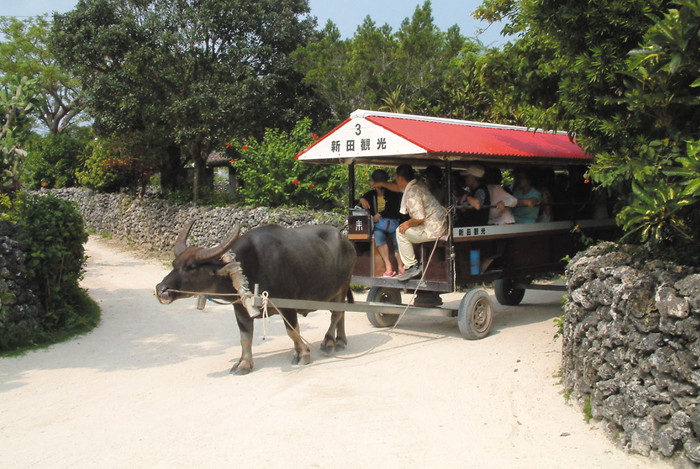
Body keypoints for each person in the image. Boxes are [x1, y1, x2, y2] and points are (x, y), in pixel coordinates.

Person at [379, 164, 448, 281]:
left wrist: (407, 224)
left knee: (400, 232)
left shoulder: (412, 192)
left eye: (396, 178)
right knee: (405, 229)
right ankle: (415, 264)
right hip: (437, 225)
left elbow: (419, 218)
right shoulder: (417, 184)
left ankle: (411, 266)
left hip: (433, 229)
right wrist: (381, 184)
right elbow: (397, 188)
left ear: (400, 178)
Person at [359, 169, 404, 277]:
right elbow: (360, 205)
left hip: (393, 224)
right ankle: (388, 267)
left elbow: (395, 210)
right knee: (378, 237)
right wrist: (362, 199)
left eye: (372, 181)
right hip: (379, 227)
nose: (370, 183)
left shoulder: (392, 193)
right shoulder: (370, 194)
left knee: (398, 241)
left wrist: (380, 214)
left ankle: (401, 267)